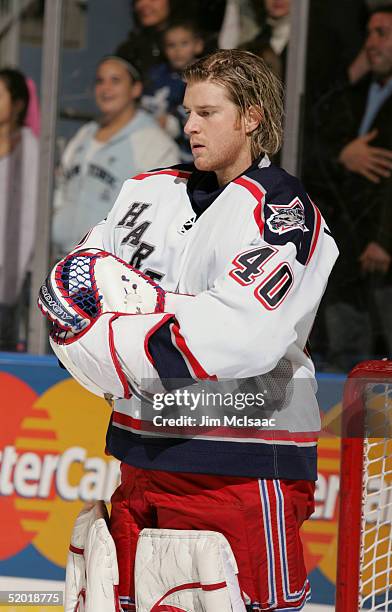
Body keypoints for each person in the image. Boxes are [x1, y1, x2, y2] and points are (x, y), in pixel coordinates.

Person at [42, 50, 338, 610]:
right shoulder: (144, 193)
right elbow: (69, 290)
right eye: (187, 111)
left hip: (242, 468)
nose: (189, 126)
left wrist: (121, 332)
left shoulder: (282, 208)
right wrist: (126, 326)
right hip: (141, 459)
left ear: (251, 116)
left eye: (207, 112)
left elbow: (244, 330)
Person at [309, 4, 392, 371]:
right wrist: (343, 153)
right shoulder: (361, 90)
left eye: (383, 34)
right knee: (347, 357)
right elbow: (310, 123)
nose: (371, 43)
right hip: (350, 245)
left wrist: (386, 240)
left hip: (381, 248)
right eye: (369, 34)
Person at [51, 55, 180, 258]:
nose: (106, 88)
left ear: (136, 89)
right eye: (100, 81)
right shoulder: (85, 133)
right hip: (64, 258)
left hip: (112, 267)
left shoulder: (153, 141)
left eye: (115, 80)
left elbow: (164, 211)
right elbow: (61, 186)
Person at [0, 68, 39, 351]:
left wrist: (15, 275)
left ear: (18, 104)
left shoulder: (30, 148)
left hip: (9, 272)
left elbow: (29, 217)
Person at [141, 19, 204, 161]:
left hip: (188, 152)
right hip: (153, 142)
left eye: (184, 43)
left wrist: (171, 122)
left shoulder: (203, 76)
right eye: (171, 45)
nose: (177, 51)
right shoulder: (156, 74)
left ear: (198, 45)